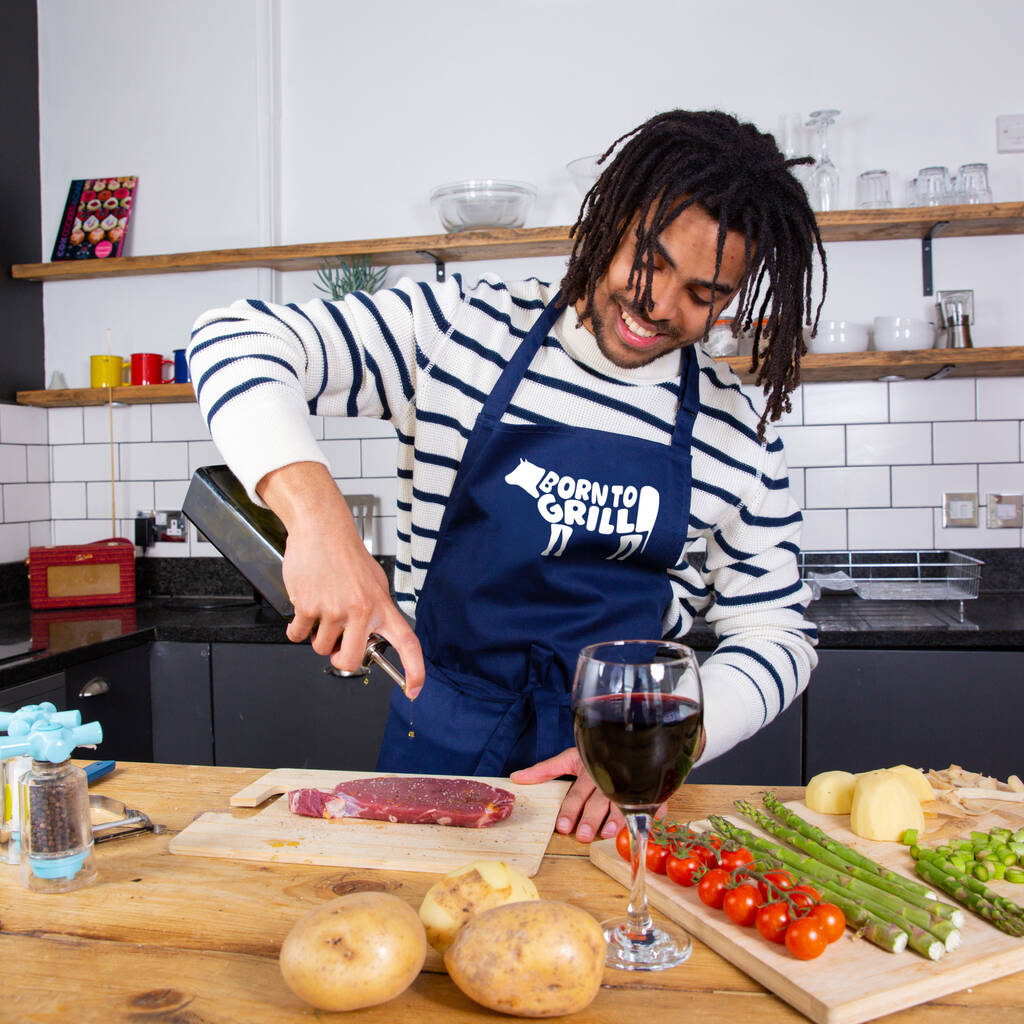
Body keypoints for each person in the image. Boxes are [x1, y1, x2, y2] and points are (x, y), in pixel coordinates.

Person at [188, 108, 825, 842]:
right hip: (438, 748)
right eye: (648, 259)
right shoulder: (461, 332)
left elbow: (778, 631)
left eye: (703, 294)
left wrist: (662, 746)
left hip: (610, 782)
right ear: (610, 219)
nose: (658, 305)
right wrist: (320, 524)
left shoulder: (733, 428)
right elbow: (234, 338)